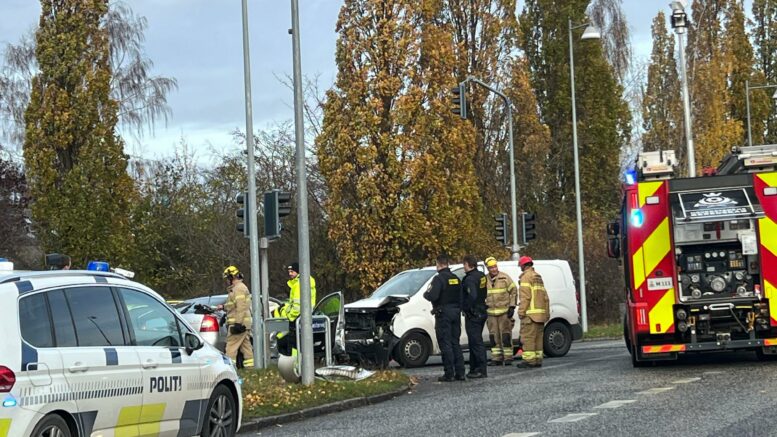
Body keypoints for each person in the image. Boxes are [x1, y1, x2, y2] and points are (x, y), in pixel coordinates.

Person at [423, 254, 466, 382]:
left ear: (438, 264)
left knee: (445, 343)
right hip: (456, 313)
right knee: (455, 343)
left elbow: (432, 296)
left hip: (443, 315)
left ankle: (449, 373)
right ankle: (460, 372)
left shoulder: (438, 279)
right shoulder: (455, 278)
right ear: (448, 264)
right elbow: (461, 297)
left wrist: (426, 294)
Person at [275, 262, 317, 355]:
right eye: (289, 271)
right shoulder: (303, 282)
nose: (290, 274)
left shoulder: (299, 284)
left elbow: (297, 306)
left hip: (296, 318)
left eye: (292, 271)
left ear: (298, 271)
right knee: (298, 343)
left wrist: (289, 316)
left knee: (293, 344)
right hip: (303, 316)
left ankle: (294, 361)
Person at [515, 256, 550, 368]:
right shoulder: (538, 277)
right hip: (540, 315)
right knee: (538, 338)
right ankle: (538, 359)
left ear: (523, 265)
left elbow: (525, 297)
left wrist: (521, 312)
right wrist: (546, 313)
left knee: (528, 338)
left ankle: (529, 360)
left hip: (530, 315)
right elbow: (546, 297)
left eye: (520, 266)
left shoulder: (526, 277)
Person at [484, 256, 517, 366]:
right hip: (491, 314)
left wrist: (512, 306)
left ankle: (508, 357)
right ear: (488, 268)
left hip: (504, 313)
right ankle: (496, 358)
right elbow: (481, 294)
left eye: (495, 266)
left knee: (506, 336)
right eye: (491, 267)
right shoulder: (485, 280)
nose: (494, 269)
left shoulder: (505, 278)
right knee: (493, 337)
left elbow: (514, 291)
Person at [221, 265, 254, 368]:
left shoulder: (238, 288)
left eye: (227, 278)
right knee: (246, 347)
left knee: (230, 347)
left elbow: (241, 307)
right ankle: (250, 368)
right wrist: (223, 307)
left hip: (238, 323)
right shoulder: (238, 288)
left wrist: (238, 323)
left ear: (231, 277)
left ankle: (229, 369)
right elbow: (234, 305)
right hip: (244, 323)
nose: (227, 281)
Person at [461, 254, 488, 378]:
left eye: (464, 264)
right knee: (474, 341)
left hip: (474, 313)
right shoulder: (481, 276)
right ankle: (474, 368)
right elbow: (483, 292)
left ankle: (481, 369)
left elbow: (472, 295)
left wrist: (466, 307)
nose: (464, 267)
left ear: (468, 264)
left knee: (476, 342)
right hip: (481, 310)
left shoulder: (470, 279)